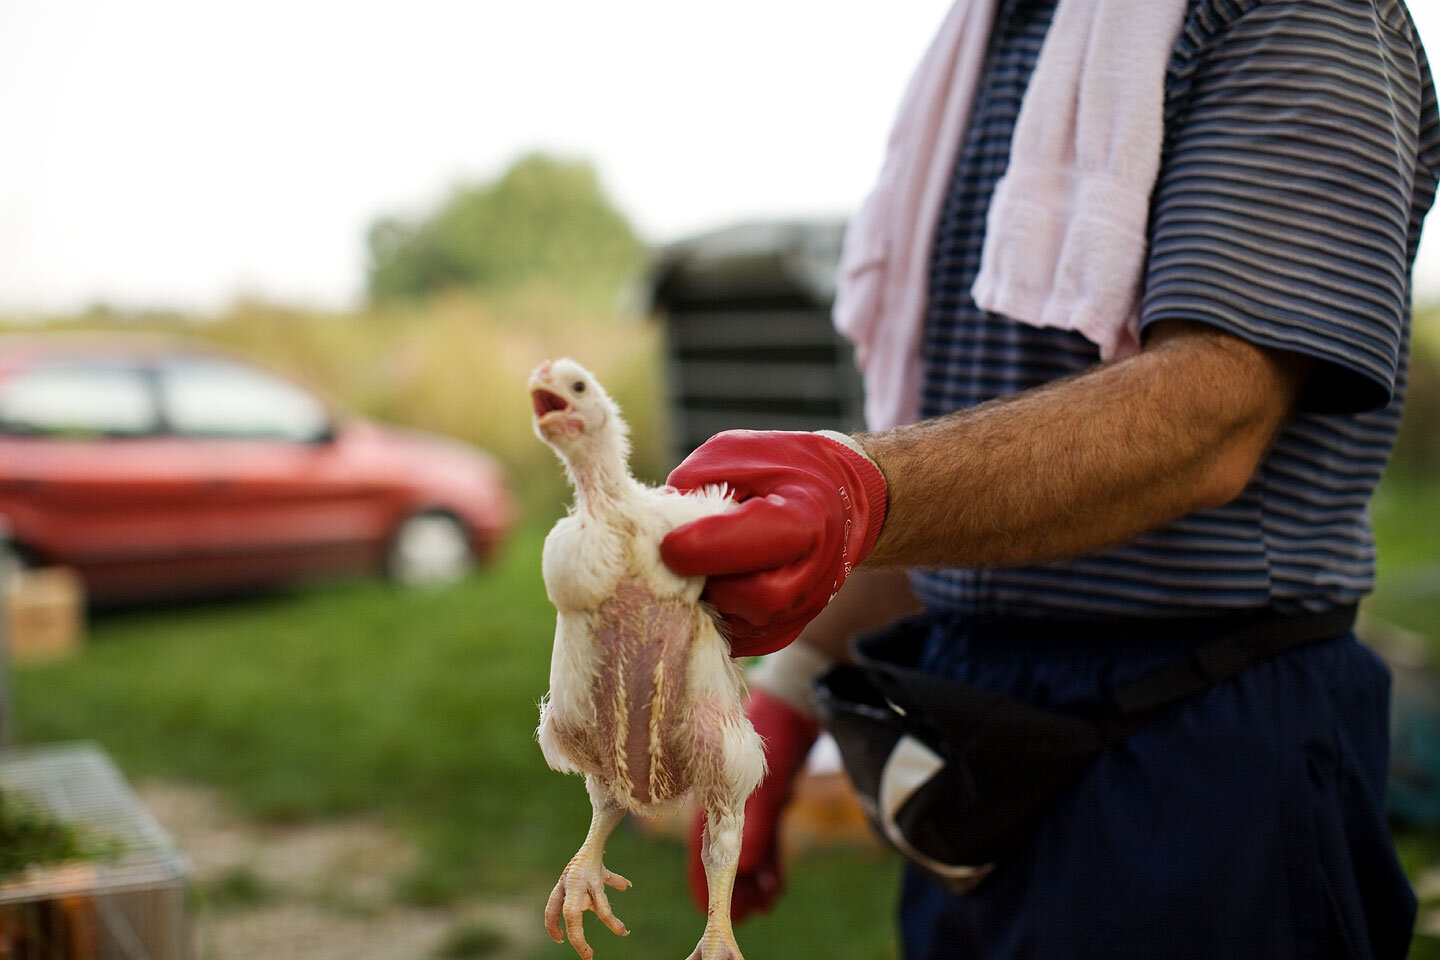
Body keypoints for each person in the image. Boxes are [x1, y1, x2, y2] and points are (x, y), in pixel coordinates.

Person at [658, 0, 1440, 957]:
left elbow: (1213, 414)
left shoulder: (1295, 15)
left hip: (1206, 745)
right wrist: (798, 681)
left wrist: (862, 486)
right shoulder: (988, 41)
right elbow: (978, 461)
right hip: (970, 729)